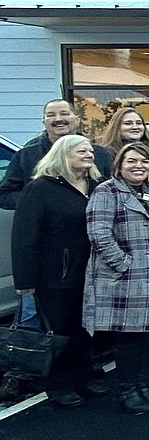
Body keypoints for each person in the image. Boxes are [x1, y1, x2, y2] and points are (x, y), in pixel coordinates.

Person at [84, 143, 149, 415]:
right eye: (132, 161)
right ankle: (126, 390)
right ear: (119, 165)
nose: (139, 166)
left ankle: (142, 385)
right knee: (129, 337)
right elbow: (99, 233)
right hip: (127, 279)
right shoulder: (107, 191)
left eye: (145, 161)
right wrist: (124, 264)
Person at [12, 135, 109, 408]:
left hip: (92, 272)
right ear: (63, 155)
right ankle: (58, 383)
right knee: (59, 331)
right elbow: (24, 236)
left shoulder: (97, 186)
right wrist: (25, 281)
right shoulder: (40, 189)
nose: (89, 155)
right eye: (82, 151)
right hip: (55, 274)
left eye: (90, 151)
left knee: (85, 328)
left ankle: (83, 375)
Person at [0, 99, 113, 210]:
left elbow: (114, 190)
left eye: (64, 113)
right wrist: (39, 201)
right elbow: (5, 196)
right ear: (44, 121)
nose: (58, 119)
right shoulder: (26, 155)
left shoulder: (100, 154)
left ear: (77, 119)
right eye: (51, 115)